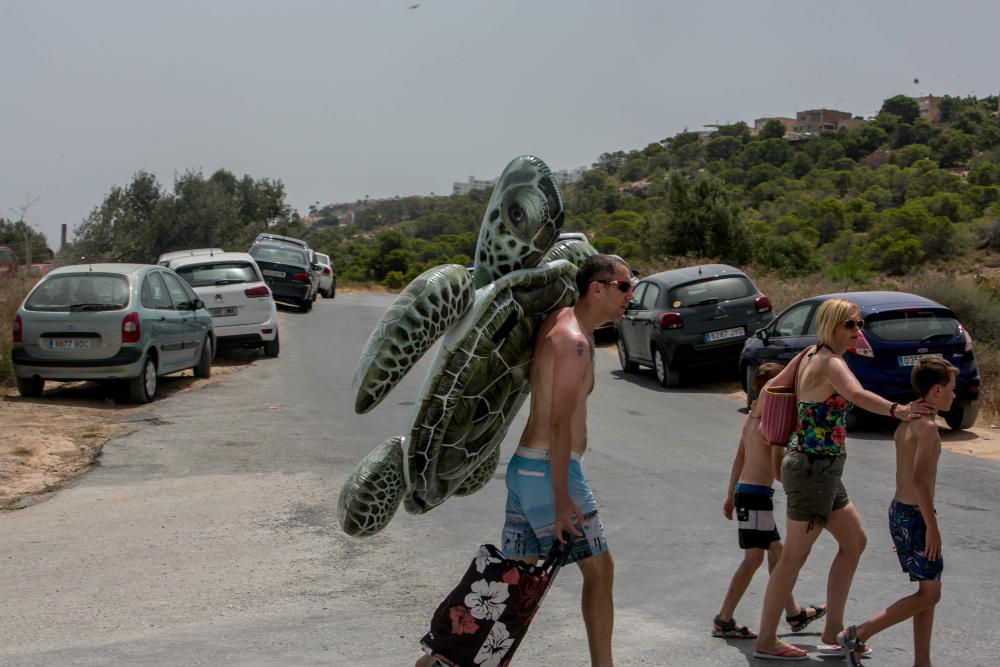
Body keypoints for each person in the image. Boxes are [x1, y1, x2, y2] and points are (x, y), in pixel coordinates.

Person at [416, 254, 633, 667]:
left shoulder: (560, 319)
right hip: (550, 473)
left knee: (514, 581)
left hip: (525, 470)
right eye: (624, 286)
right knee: (600, 570)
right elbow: (556, 424)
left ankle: (441, 659)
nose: (630, 295)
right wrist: (563, 497)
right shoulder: (574, 343)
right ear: (597, 288)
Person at [752, 298, 934, 661]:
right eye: (850, 325)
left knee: (854, 541)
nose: (857, 331)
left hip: (823, 470)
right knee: (793, 557)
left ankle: (833, 631)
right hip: (812, 469)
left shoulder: (809, 355)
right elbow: (856, 394)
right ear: (831, 326)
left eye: (859, 324)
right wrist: (898, 410)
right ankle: (767, 640)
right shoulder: (829, 362)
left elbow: (775, 388)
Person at [837, 357, 955, 667]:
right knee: (930, 594)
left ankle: (922, 661)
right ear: (938, 389)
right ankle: (857, 634)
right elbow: (919, 479)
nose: (954, 396)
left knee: (926, 588)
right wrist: (932, 527)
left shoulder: (907, 420)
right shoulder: (927, 427)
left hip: (901, 510)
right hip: (916, 515)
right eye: (951, 390)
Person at [714, 363, 827, 640]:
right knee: (754, 559)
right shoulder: (772, 422)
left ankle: (794, 613)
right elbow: (778, 467)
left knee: (778, 554)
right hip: (755, 497)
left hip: (748, 494)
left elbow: (740, 457)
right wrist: (798, 491)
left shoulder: (751, 418)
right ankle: (724, 618)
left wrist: (730, 494)